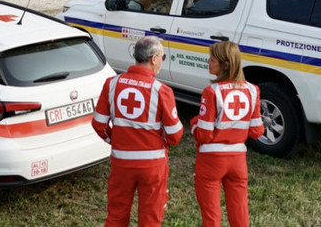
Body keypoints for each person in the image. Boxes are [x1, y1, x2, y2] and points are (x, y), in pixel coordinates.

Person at [92, 36, 183, 227]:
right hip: (152, 166)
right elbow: (175, 135)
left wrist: (114, 140)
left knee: (116, 215)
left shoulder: (112, 84)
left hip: (121, 163)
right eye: (163, 58)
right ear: (154, 59)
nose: (162, 62)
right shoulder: (161, 90)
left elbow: (99, 124)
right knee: (150, 218)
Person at [190, 41, 263, 227]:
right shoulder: (253, 90)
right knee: (240, 212)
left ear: (226, 64)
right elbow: (257, 131)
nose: (208, 62)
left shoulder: (211, 92)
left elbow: (204, 135)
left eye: (212, 59)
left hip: (211, 161)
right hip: (238, 161)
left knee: (211, 216)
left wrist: (193, 123)